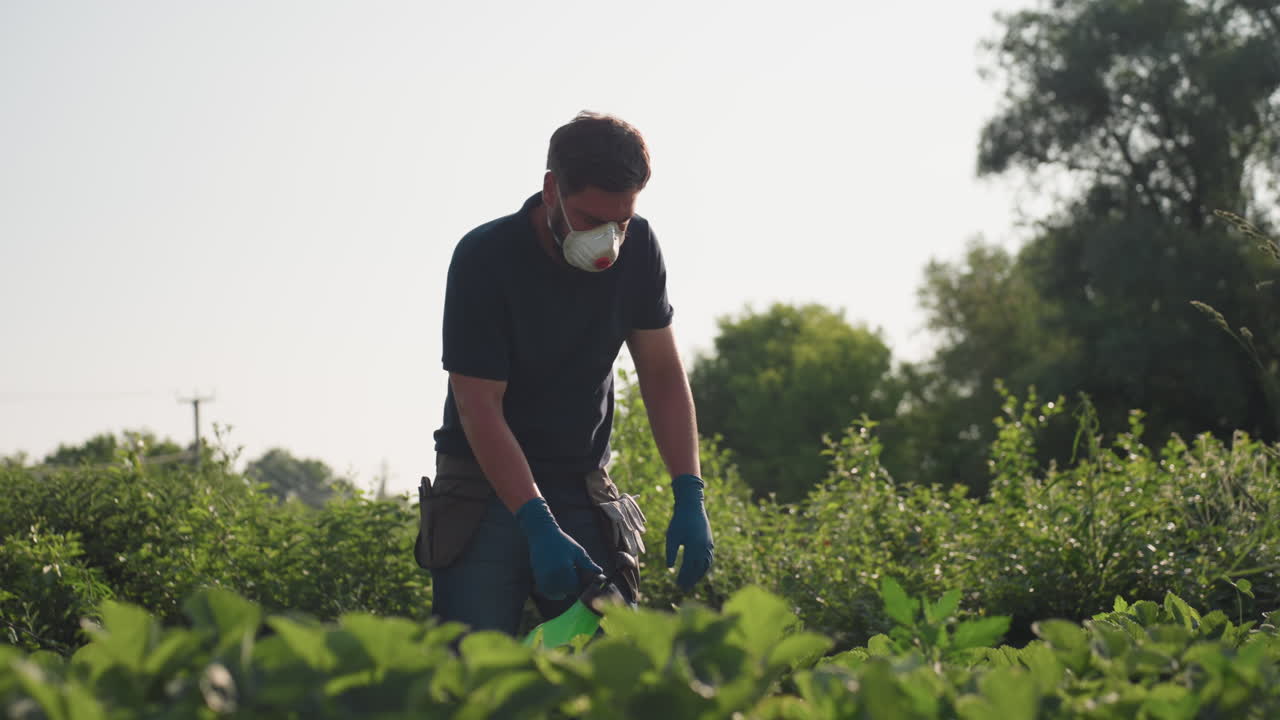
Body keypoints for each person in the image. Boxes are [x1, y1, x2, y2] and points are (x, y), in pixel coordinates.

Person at [416, 111, 714, 636]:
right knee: (472, 683)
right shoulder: (486, 258)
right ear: (551, 189)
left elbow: (663, 377)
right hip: (479, 491)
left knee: (608, 671)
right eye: (590, 219)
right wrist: (535, 522)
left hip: (581, 488)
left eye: (620, 222)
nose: (607, 242)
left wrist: (689, 492)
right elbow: (479, 406)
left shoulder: (639, 250)